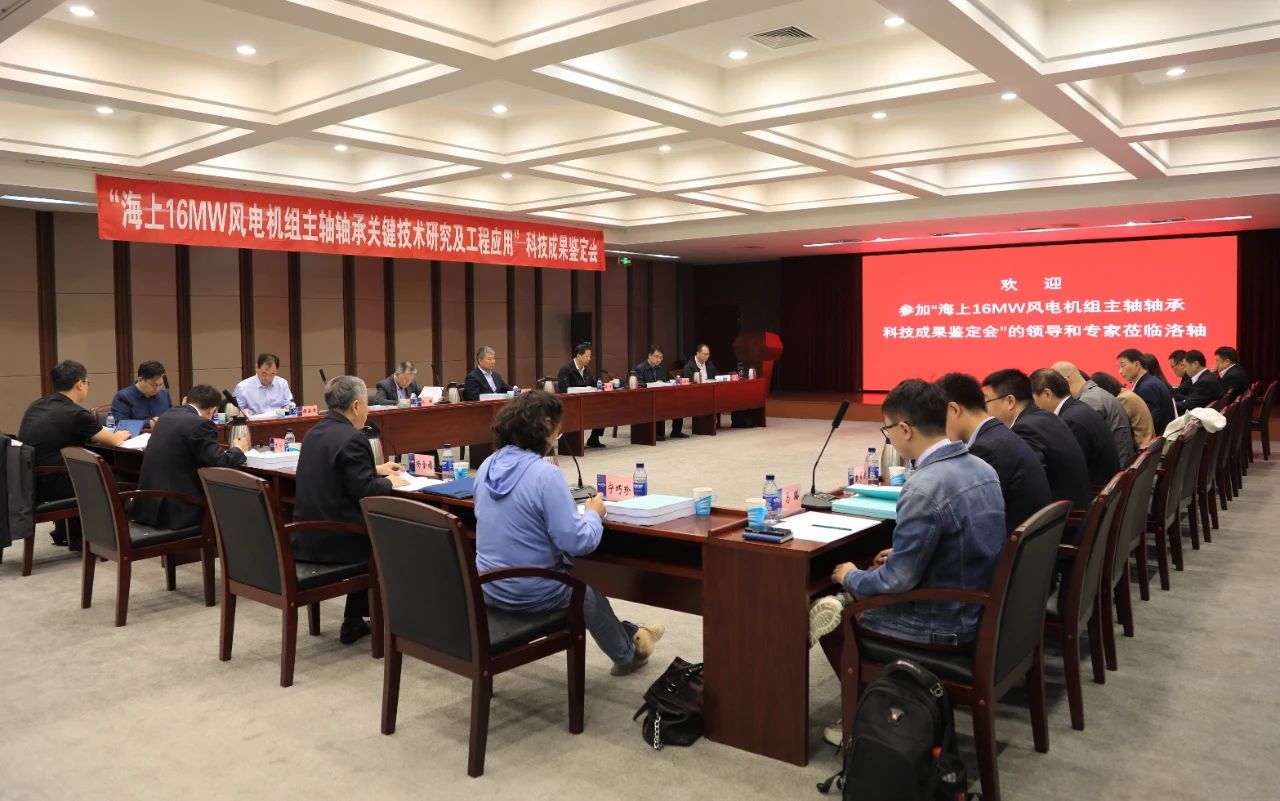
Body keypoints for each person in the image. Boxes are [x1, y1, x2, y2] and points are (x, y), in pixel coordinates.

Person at [813, 379, 1005, 746]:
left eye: (886, 429)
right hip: (976, 605)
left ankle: (870, 718)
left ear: (905, 429)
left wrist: (851, 576)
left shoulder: (924, 486)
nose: (888, 436)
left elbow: (894, 582)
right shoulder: (982, 468)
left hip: (944, 622)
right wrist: (901, 555)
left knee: (834, 614)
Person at [474, 390, 664, 675]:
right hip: (532, 591)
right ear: (546, 428)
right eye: (558, 431)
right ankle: (627, 655)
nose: (556, 438)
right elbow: (578, 542)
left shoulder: (487, 466)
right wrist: (593, 514)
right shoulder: (545, 475)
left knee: (580, 585)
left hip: (488, 584)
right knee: (587, 595)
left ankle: (635, 633)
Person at [293, 376, 407, 644]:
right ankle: (394, 621)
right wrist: (389, 482)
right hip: (336, 541)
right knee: (392, 535)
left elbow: (335, 469)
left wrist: (375, 469)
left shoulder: (313, 432)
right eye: (366, 404)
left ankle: (354, 620)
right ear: (356, 406)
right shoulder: (353, 438)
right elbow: (365, 491)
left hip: (305, 536)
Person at [17, 360, 132, 549]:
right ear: (80, 384)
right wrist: (125, 433)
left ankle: (72, 535)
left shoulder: (37, 404)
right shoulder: (75, 413)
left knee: (82, 468)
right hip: (52, 484)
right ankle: (111, 542)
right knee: (118, 479)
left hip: (28, 481)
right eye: (87, 383)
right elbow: (114, 440)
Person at [935, 373, 1051, 535]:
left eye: (938, 418)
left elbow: (967, 516)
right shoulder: (997, 434)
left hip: (1009, 545)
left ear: (954, 409)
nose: (938, 427)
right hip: (1028, 540)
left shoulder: (986, 449)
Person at [130, 384, 250, 531]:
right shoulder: (201, 424)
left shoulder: (167, 415)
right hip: (176, 511)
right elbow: (220, 463)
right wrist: (238, 450)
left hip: (147, 507)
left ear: (186, 400)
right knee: (236, 502)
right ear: (212, 411)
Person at [982, 368, 1092, 517]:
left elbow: (1029, 486)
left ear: (1010, 401)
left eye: (987, 401)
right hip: (1072, 511)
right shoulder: (1046, 417)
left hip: (1062, 521)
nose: (985, 409)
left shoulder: (1024, 429)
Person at [1030, 368, 1121, 486]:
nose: (1034, 405)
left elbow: (1070, 468)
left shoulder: (1069, 421)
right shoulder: (1078, 407)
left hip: (1097, 489)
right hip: (1108, 485)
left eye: (1034, 399)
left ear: (1047, 394)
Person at [1051, 361, 1135, 467]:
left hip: (1115, 468)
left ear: (1066, 381)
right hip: (1121, 462)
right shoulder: (1096, 393)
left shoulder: (1088, 401)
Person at [556, 343, 605, 448]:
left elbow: (593, 383)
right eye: (587, 356)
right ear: (578, 356)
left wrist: (602, 385)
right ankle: (572, 443)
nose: (589, 359)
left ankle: (594, 438)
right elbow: (564, 389)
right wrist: (584, 390)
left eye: (590, 356)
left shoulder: (587, 369)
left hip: (586, 402)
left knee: (602, 409)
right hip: (571, 404)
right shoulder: (566, 369)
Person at [1118, 348, 1176, 436]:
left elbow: (1150, 422)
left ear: (1137, 364)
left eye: (1123, 366)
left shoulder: (1146, 388)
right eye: (1118, 367)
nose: (1120, 371)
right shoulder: (1150, 382)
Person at [1091, 371, 1155, 450]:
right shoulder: (1125, 393)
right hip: (1146, 442)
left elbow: (1119, 429)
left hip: (1141, 446)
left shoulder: (1122, 399)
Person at [669, 344, 717, 439]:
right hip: (694, 394)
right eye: (705, 354)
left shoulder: (709, 364)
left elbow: (716, 375)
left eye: (708, 354)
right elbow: (689, 382)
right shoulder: (689, 366)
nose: (707, 356)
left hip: (709, 391)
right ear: (698, 353)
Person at [110, 360, 172, 429]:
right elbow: (120, 424)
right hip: (136, 435)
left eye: (160, 384)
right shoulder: (123, 397)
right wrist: (148, 423)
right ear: (140, 380)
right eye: (153, 385)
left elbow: (171, 417)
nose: (157, 389)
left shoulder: (164, 394)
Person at [633, 345, 669, 440]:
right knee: (654, 404)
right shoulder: (640, 368)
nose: (659, 360)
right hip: (643, 399)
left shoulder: (659, 368)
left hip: (657, 397)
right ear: (650, 356)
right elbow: (639, 384)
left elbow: (663, 381)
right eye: (656, 356)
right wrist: (652, 384)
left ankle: (660, 433)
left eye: (661, 357)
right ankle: (652, 433)